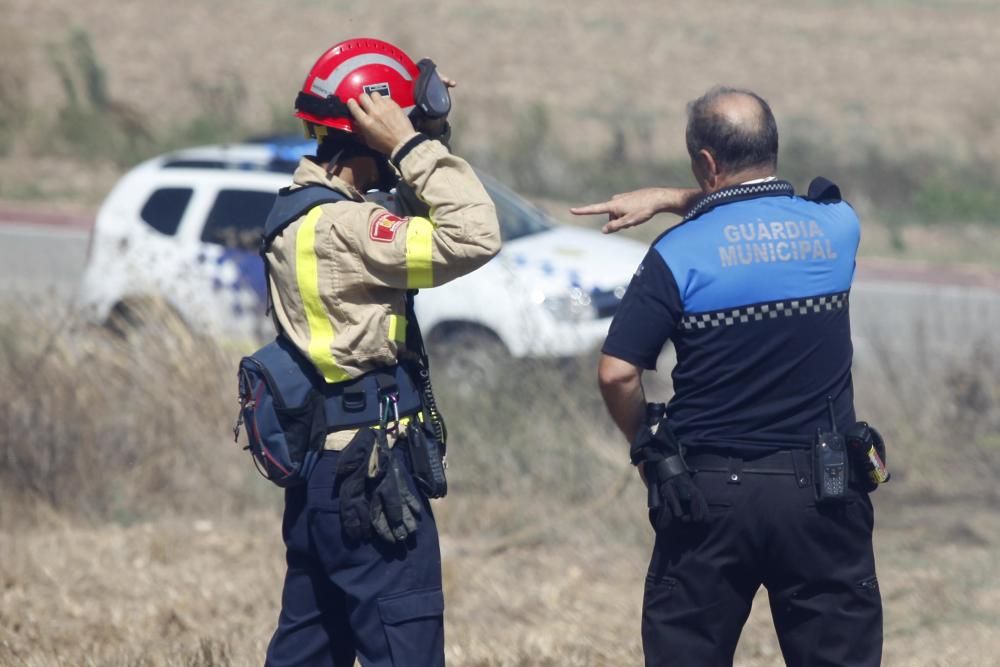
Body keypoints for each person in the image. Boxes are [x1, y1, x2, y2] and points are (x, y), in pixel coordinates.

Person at [571, 86, 883, 666]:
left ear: (706, 163)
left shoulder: (677, 252)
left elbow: (617, 374)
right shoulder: (838, 226)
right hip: (825, 492)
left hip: (707, 500)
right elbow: (759, 211)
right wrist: (681, 196)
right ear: (773, 147)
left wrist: (647, 448)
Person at [262, 38, 501, 667]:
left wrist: (427, 127)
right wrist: (415, 144)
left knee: (308, 648)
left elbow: (404, 213)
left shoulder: (304, 212)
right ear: (372, 131)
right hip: (370, 482)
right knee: (406, 648)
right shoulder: (348, 229)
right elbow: (474, 233)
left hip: (322, 474)